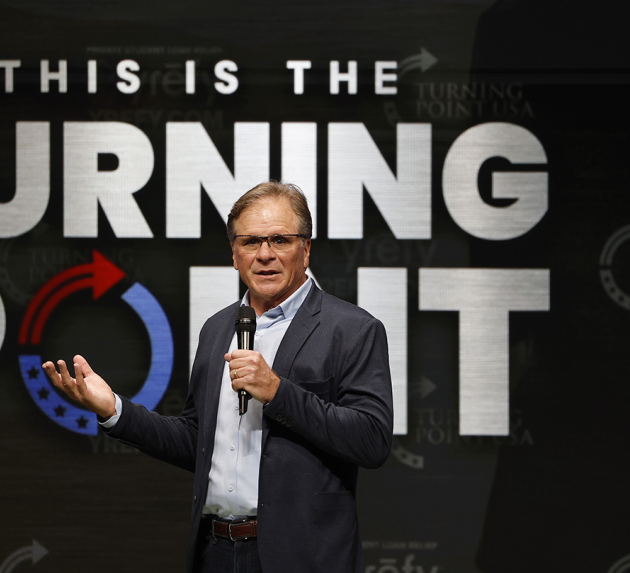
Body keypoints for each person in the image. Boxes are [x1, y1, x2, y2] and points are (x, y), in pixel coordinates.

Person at [43, 181, 393, 573]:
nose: (264, 255)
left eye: (280, 239)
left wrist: (278, 393)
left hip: (301, 556)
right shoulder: (217, 328)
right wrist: (115, 411)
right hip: (216, 551)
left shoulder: (352, 329)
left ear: (306, 249)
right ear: (234, 254)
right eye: (250, 242)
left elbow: (372, 440)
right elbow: (198, 441)